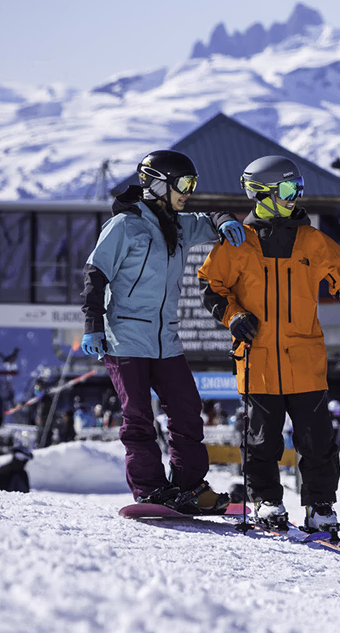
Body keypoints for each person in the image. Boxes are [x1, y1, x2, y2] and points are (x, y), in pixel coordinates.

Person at [198, 155, 340, 532]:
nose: (295, 197)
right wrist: (233, 316)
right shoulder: (238, 243)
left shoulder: (313, 242)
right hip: (258, 360)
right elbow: (211, 286)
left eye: (298, 188)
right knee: (262, 441)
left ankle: (320, 506)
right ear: (262, 194)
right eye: (288, 189)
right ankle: (267, 501)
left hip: (305, 360)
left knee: (317, 442)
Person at [80, 149, 246, 513]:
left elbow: (209, 218)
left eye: (193, 183)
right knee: (138, 416)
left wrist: (225, 221)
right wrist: (93, 325)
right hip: (125, 338)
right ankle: (150, 488)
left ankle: (189, 486)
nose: (189, 191)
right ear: (157, 185)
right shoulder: (125, 226)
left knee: (187, 410)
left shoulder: (178, 224)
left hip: (166, 339)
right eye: (183, 184)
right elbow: (96, 274)